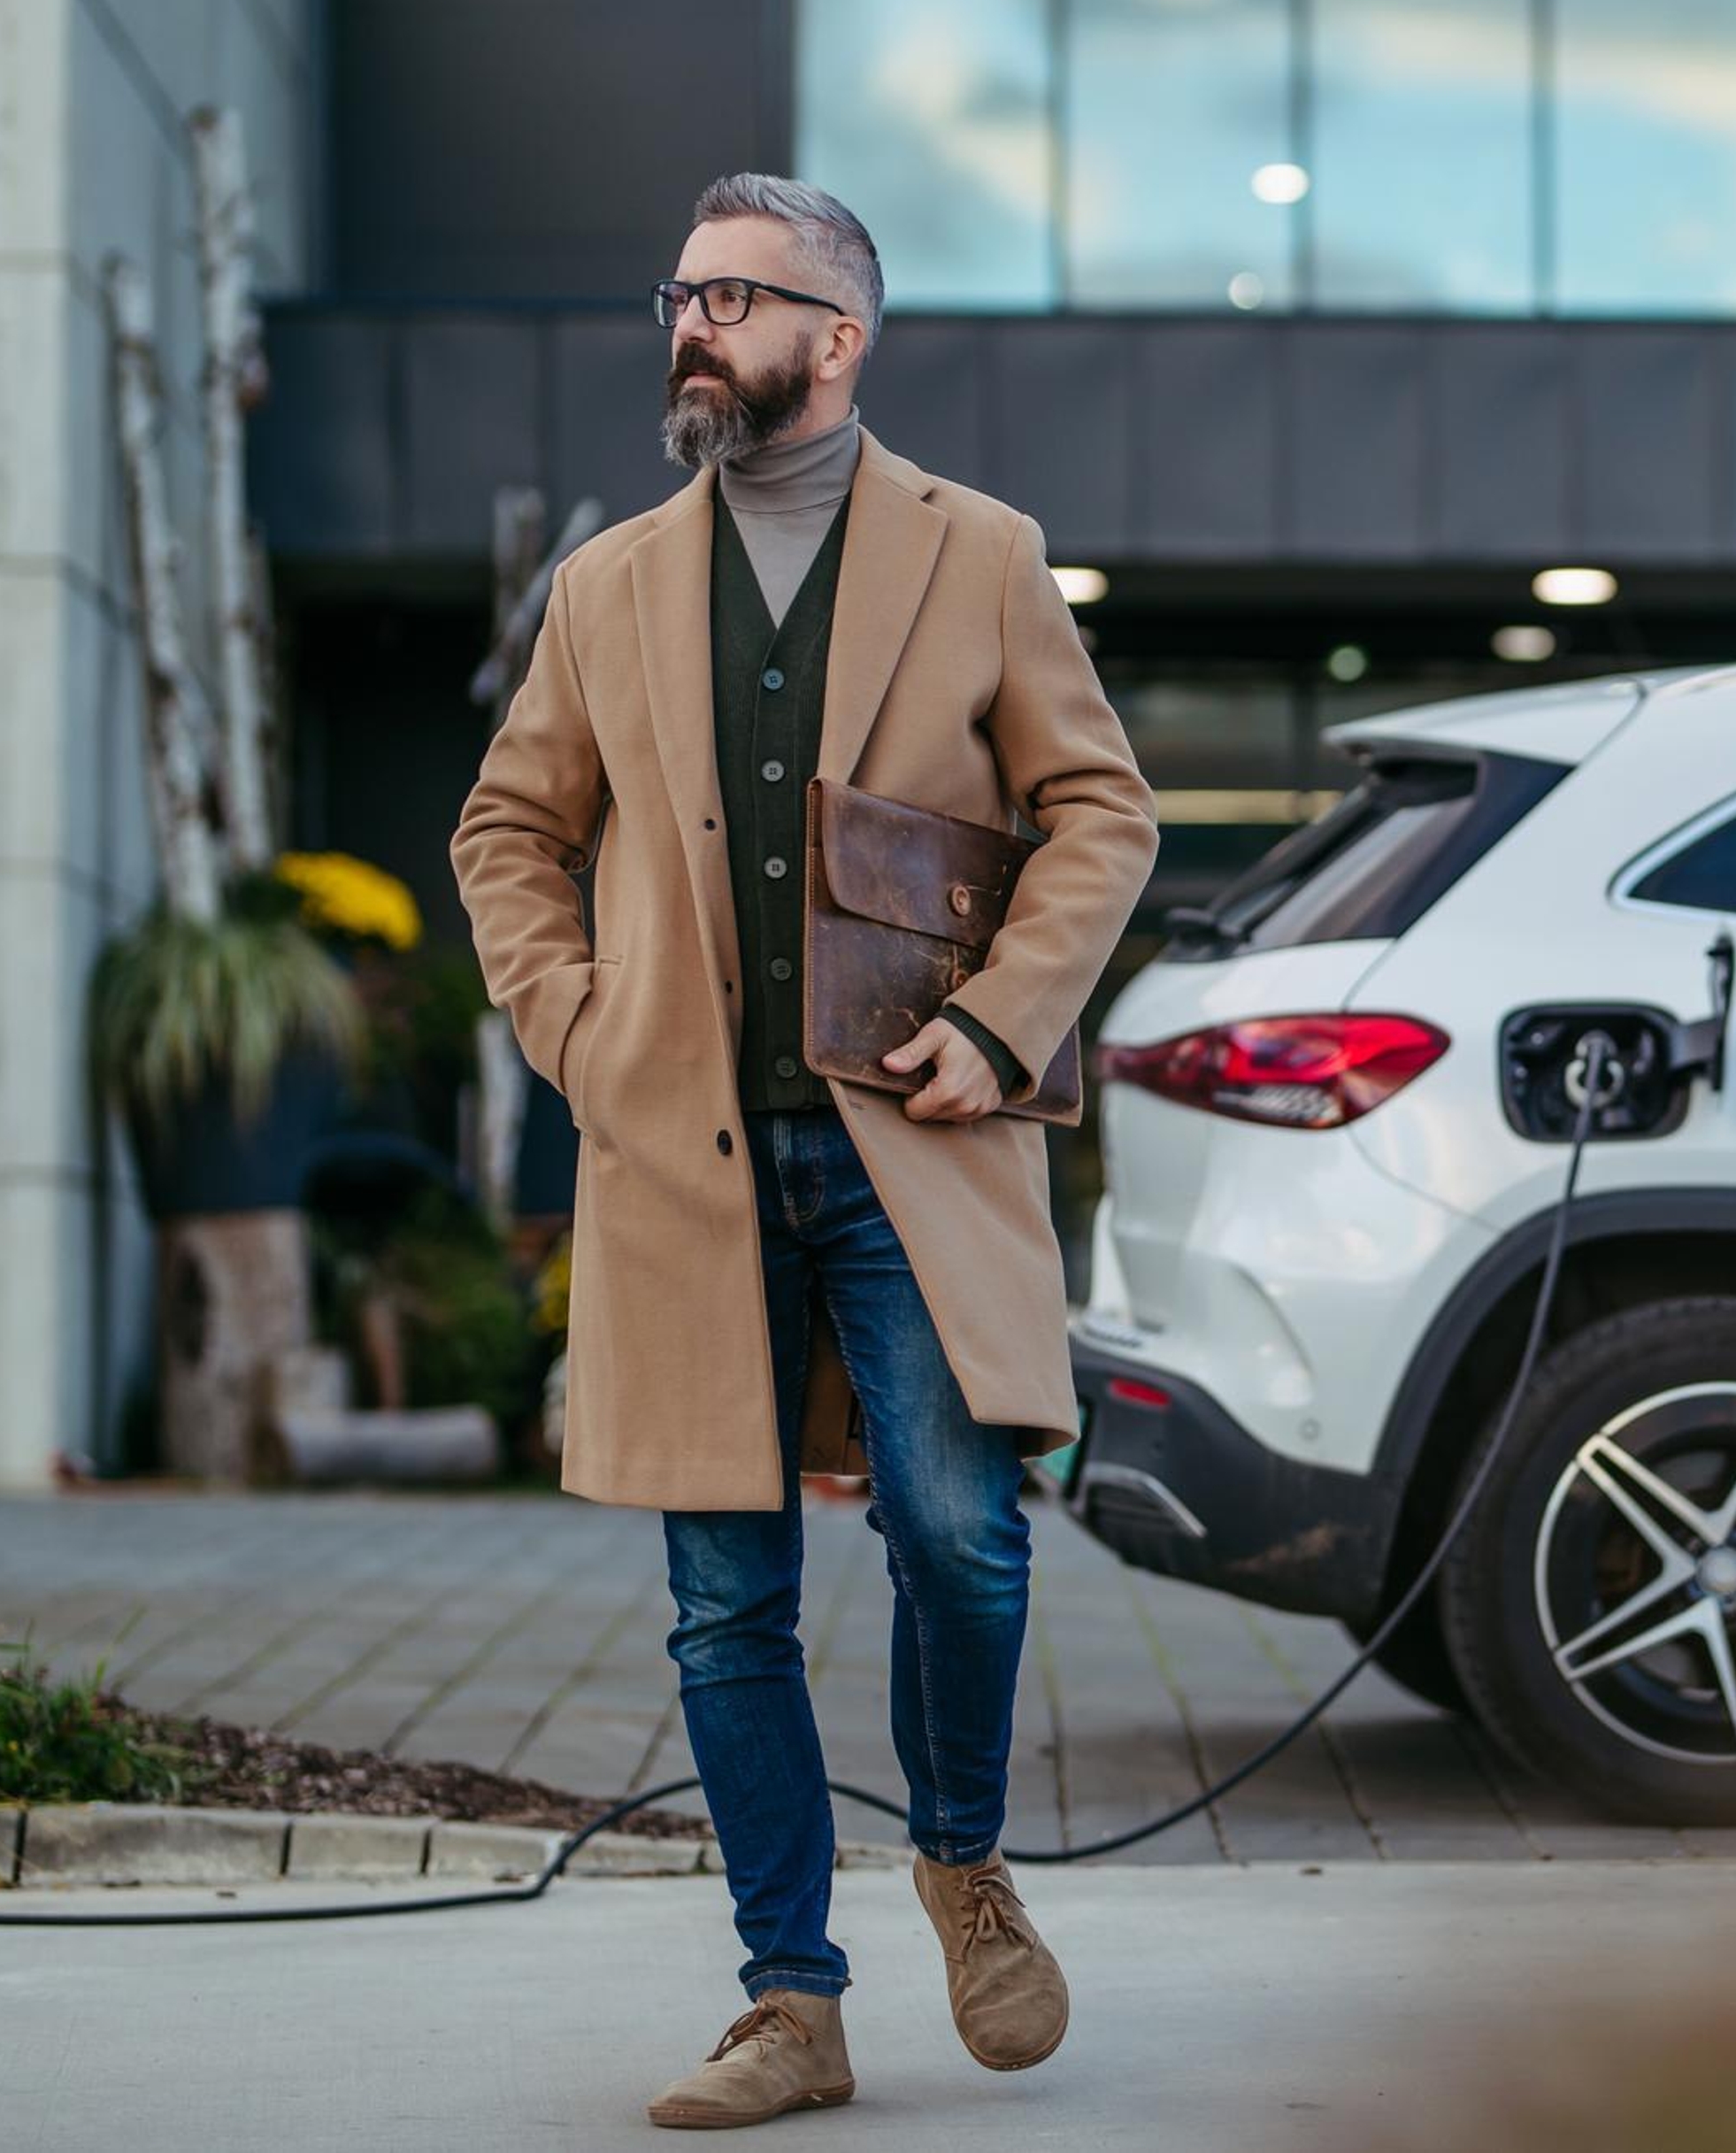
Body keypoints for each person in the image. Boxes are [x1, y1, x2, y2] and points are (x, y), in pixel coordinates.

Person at [448, 171, 1160, 2128]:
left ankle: (960, 1856)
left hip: (912, 1148)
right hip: (678, 1161)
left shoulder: (983, 553)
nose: (690, 326)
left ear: (835, 339)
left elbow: (1102, 815)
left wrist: (1001, 1020)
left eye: (733, 300)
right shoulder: (605, 587)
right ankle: (792, 2001)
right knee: (721, 1602)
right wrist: (578, 1032)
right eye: (676, 293)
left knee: (963, 1537)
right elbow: (505, 837)